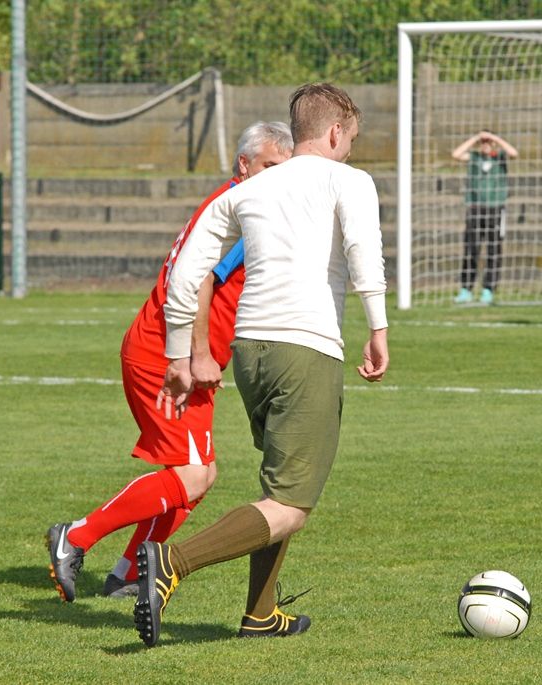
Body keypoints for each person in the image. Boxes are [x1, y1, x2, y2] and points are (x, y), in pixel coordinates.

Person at [133, 82, 389, 647]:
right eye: (351, 140)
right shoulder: (350, 180)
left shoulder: (249, 187)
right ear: (334, 133)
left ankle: (260, 613)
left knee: (276, 484)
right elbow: (364, 252)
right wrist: (378, 327)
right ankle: (170, 562)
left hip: (248, 352)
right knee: (290, 504)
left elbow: (185, 272)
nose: (350, 151)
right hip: (307, 347)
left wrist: (179, 353)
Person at [45, 122, 294, 601]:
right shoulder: (240, 212)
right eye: (268, 167)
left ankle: (129, 573)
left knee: (198, 478)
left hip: (186, 358)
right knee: (192, 474)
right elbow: (196, 279)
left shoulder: (247, 206)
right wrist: (197, 354)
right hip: (166, 356)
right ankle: (75, 536)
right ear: (244, 165)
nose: (275, 179)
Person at [451, 130, 518, 305]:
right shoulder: (474, 157)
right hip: (475, 208)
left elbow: (514, 153)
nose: (485, 145)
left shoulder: (500, 157)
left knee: (494, 249)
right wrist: (475, 138)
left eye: (488, 142)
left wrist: (496, 138)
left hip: (496, 209)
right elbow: (456, 154)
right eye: (483, 142)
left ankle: (489, 289)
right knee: (471, 249)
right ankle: (466, 289)